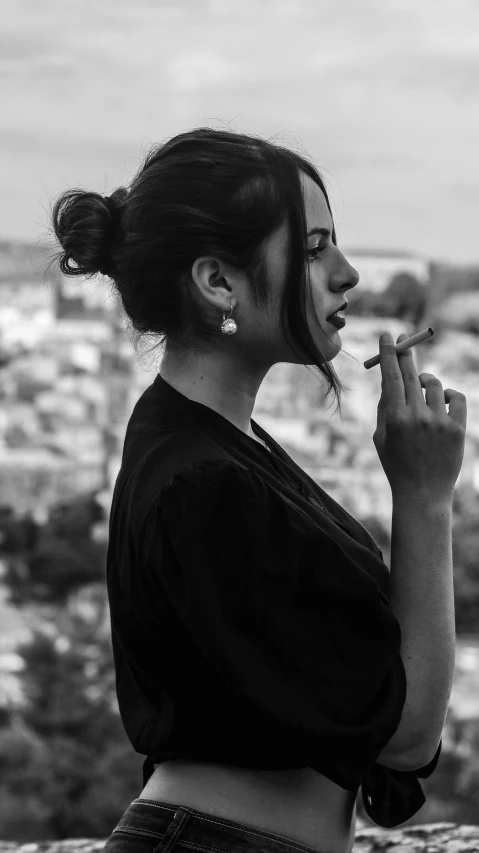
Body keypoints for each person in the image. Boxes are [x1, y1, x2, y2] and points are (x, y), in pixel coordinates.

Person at [48, 128, 467, 853]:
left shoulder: (207, 443)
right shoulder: (205, 481)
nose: (347, 274)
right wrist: (424, 496)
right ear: (219, 282)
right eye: (311, 249)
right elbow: (404, 735)